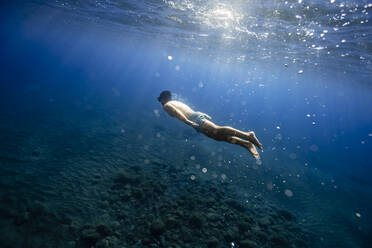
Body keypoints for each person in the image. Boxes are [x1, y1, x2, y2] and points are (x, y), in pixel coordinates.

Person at [157, 90, 263, 159]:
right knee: (217, 137)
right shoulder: (175, 102)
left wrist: (188, 122)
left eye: (160, 100)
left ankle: (248, 135)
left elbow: (178, 113)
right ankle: (245, 144)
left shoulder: (167, 105)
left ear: (163, 99)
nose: (161, 103)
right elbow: (186, 110)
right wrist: (198, 116)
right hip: (195, 117)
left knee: (217, 130)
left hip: (193, 119)